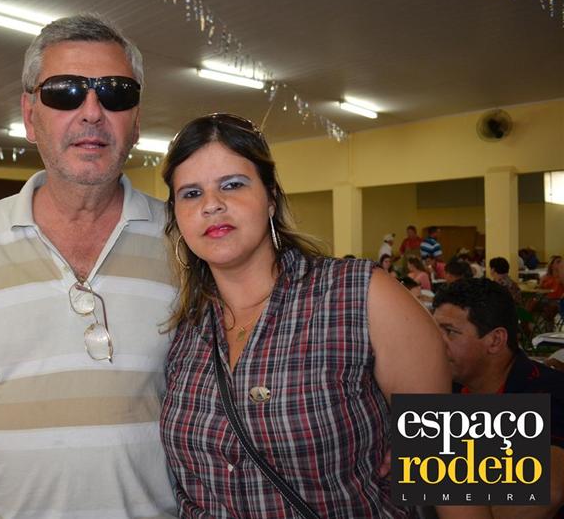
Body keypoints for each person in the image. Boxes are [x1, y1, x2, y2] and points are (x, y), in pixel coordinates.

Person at [0, 15, 177, 518]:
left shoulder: (181, 241)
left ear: (136, 121)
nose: (92, 111)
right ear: (30, 117)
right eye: (64, 91)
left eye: (115, 93)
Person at [159, 113, 484, 518]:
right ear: (176, 215)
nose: (212, 205)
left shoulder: (363, 294)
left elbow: (462, 483)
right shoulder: (183, 328)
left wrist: (417, 449)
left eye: (233, 184)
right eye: (191, 193)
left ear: (271, 197)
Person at [433, 278, 564, 519]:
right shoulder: (444, 387)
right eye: (434, 331)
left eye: (450, 332)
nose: (434, 343)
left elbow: (547, 489)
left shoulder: (548, 394)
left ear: (495, 340)